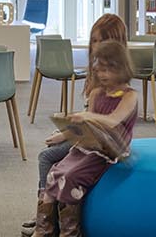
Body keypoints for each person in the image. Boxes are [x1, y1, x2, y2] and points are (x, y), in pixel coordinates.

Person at [21, 14, 128, 235]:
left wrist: (67, 135)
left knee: (47, 156)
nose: (97, 46)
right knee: (50, 153)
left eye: (102, 41)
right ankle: (47, 214)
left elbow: (102, 125)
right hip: (91, 136)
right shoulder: (99, 70)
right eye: (95, 41)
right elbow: (91, 113)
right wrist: (69, 123)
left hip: (102, 143)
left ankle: (47, 218)